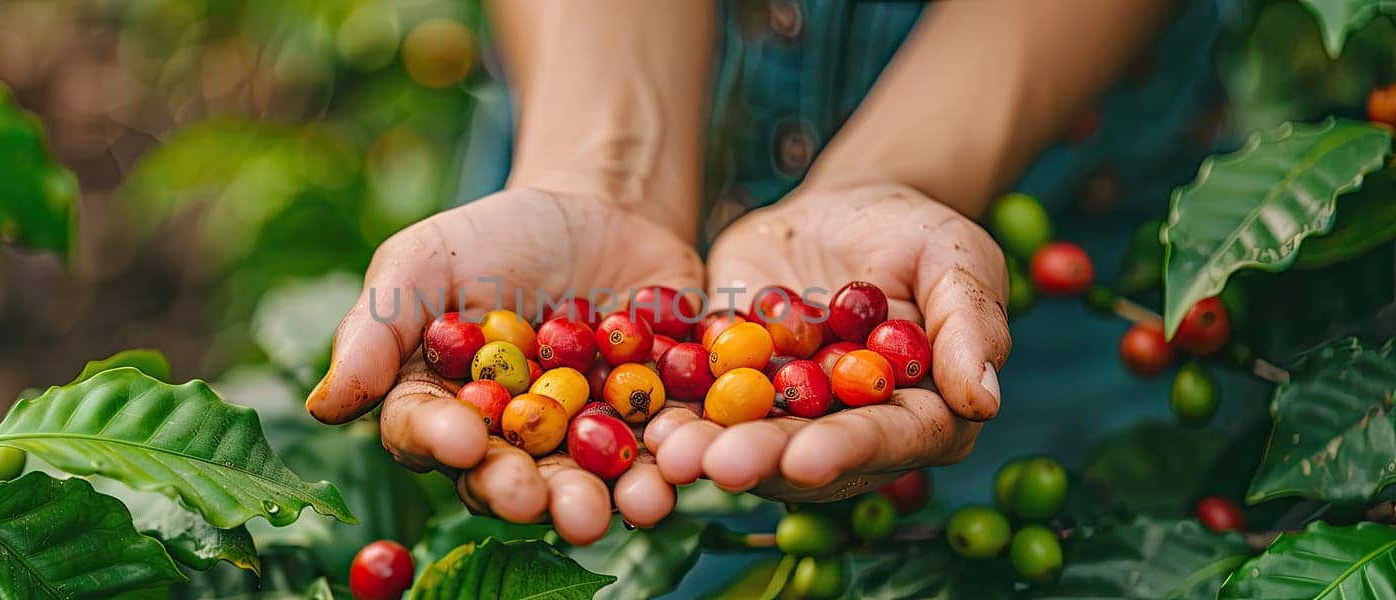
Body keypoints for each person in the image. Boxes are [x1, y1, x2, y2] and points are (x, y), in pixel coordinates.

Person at [305, 0, 1216, 546]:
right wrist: (603, 166)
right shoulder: (604, 345)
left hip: (1070, 245)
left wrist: (903, 175)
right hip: (578, 132)